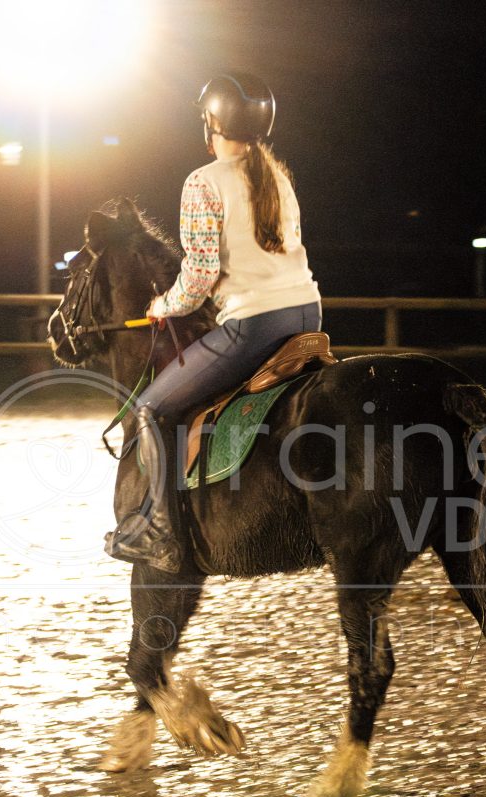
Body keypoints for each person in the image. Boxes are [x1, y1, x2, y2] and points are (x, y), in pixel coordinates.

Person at [108, 72, 322, 573]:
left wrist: (164, 305)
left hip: (254, 326)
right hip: (308, 314)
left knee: (150, 408)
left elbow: (200, 275)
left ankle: (159, 533)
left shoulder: (202, 182)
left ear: (212, 122)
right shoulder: (277, 177)